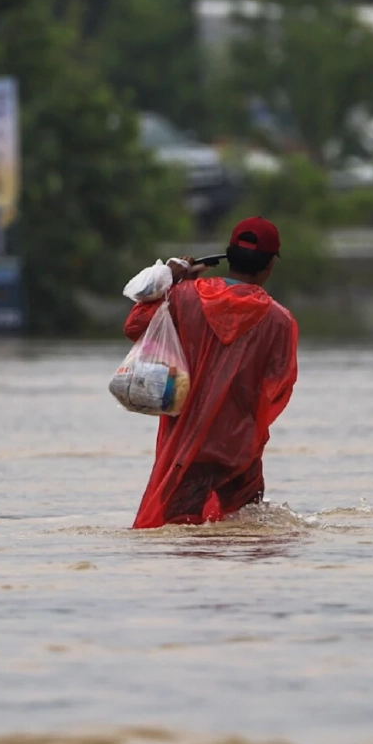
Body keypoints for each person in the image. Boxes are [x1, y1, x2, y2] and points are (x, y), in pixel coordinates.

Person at [122, 217, 299, 529]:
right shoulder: (280, 321)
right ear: (270, 265)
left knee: (180, 531)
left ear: (228, 256)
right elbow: (279, 388)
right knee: (249, 532)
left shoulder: (182, 297)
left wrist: (171, 282)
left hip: (186, 446)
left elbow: (134, 327)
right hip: (241, 449)